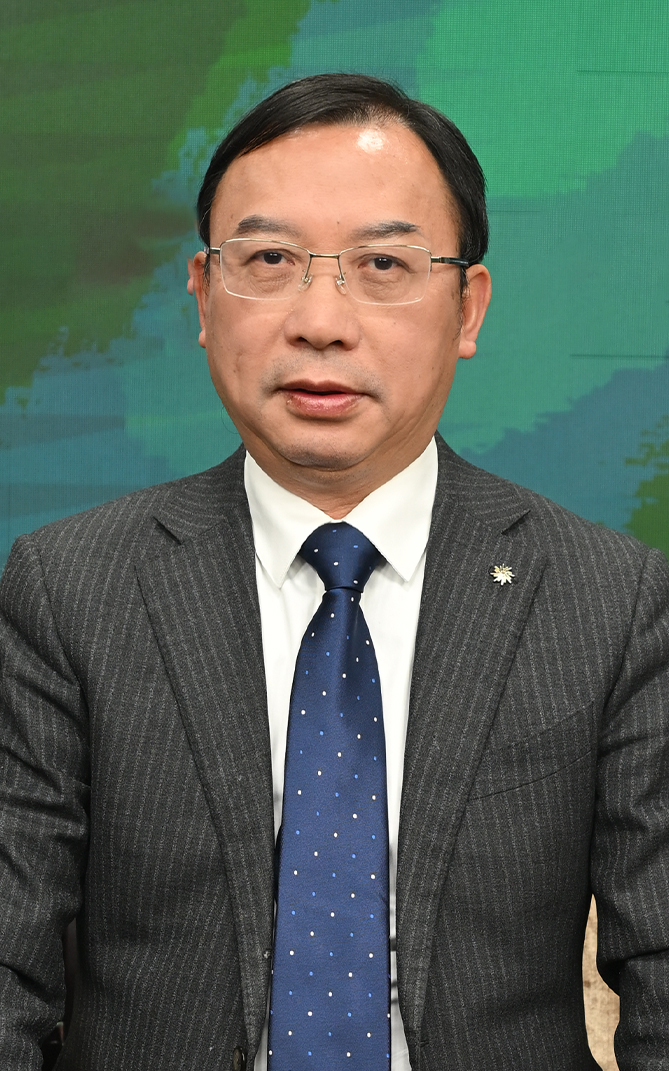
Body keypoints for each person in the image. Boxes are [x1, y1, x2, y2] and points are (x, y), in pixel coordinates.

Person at [1, 73, 668, 1071]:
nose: (321, 319)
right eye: (269, 260)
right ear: (202, 295)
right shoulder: (70, 587)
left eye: (383, 264)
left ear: (468, 307)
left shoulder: (608, 600)